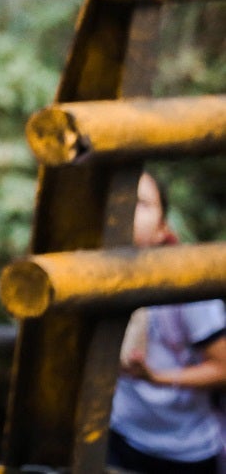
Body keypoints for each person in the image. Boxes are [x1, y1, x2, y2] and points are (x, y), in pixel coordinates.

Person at [108, 172, 226, 474]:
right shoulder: (96, 276)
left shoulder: (187, 285)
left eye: (140, 203)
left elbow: (223, 367)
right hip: (120, 435)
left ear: (163, 229)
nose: (122, 209)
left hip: (184, 451)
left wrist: (156, 377)